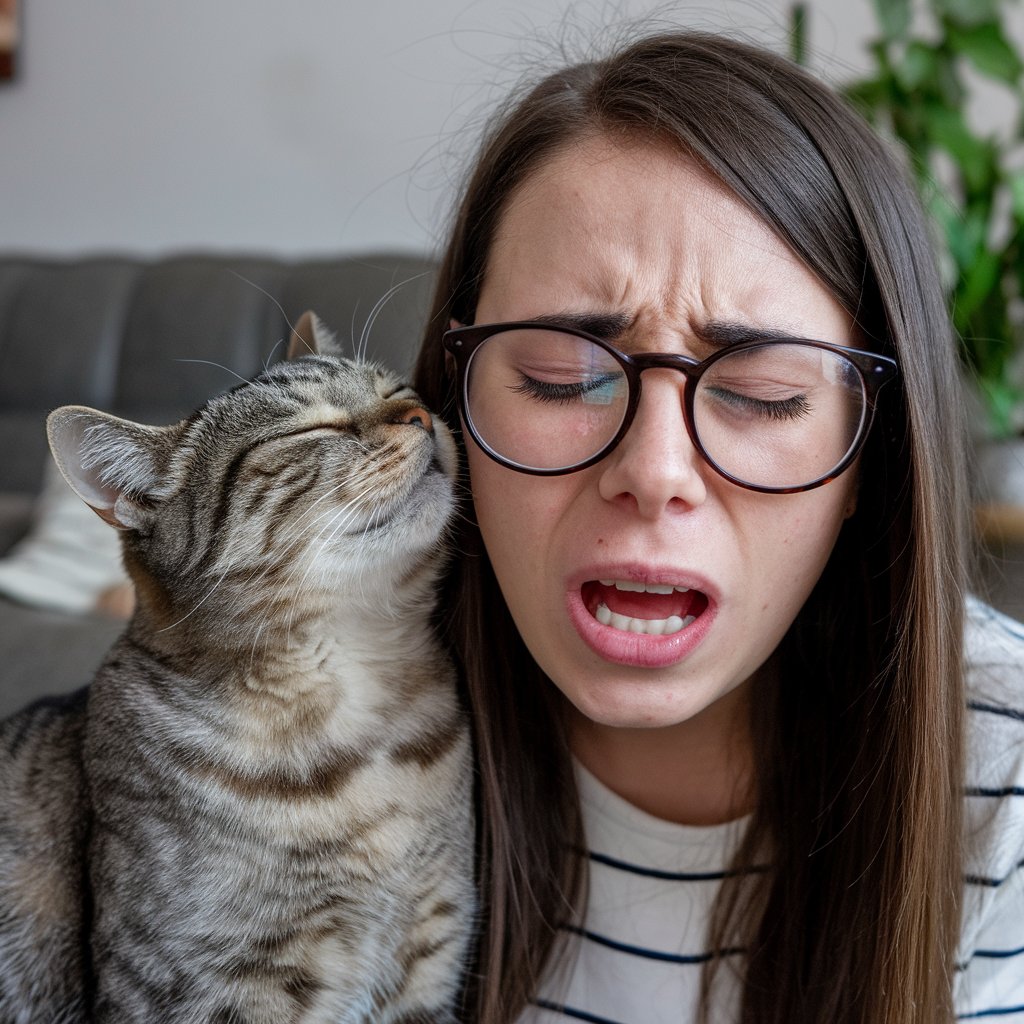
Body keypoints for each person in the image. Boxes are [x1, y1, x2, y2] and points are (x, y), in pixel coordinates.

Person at [412, 29, 1024, 1024]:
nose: (652, 472)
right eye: (560, 378)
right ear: (454, 401)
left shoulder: (1004, 772)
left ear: (871, 449)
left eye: (761, 393)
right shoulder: (296, 728)